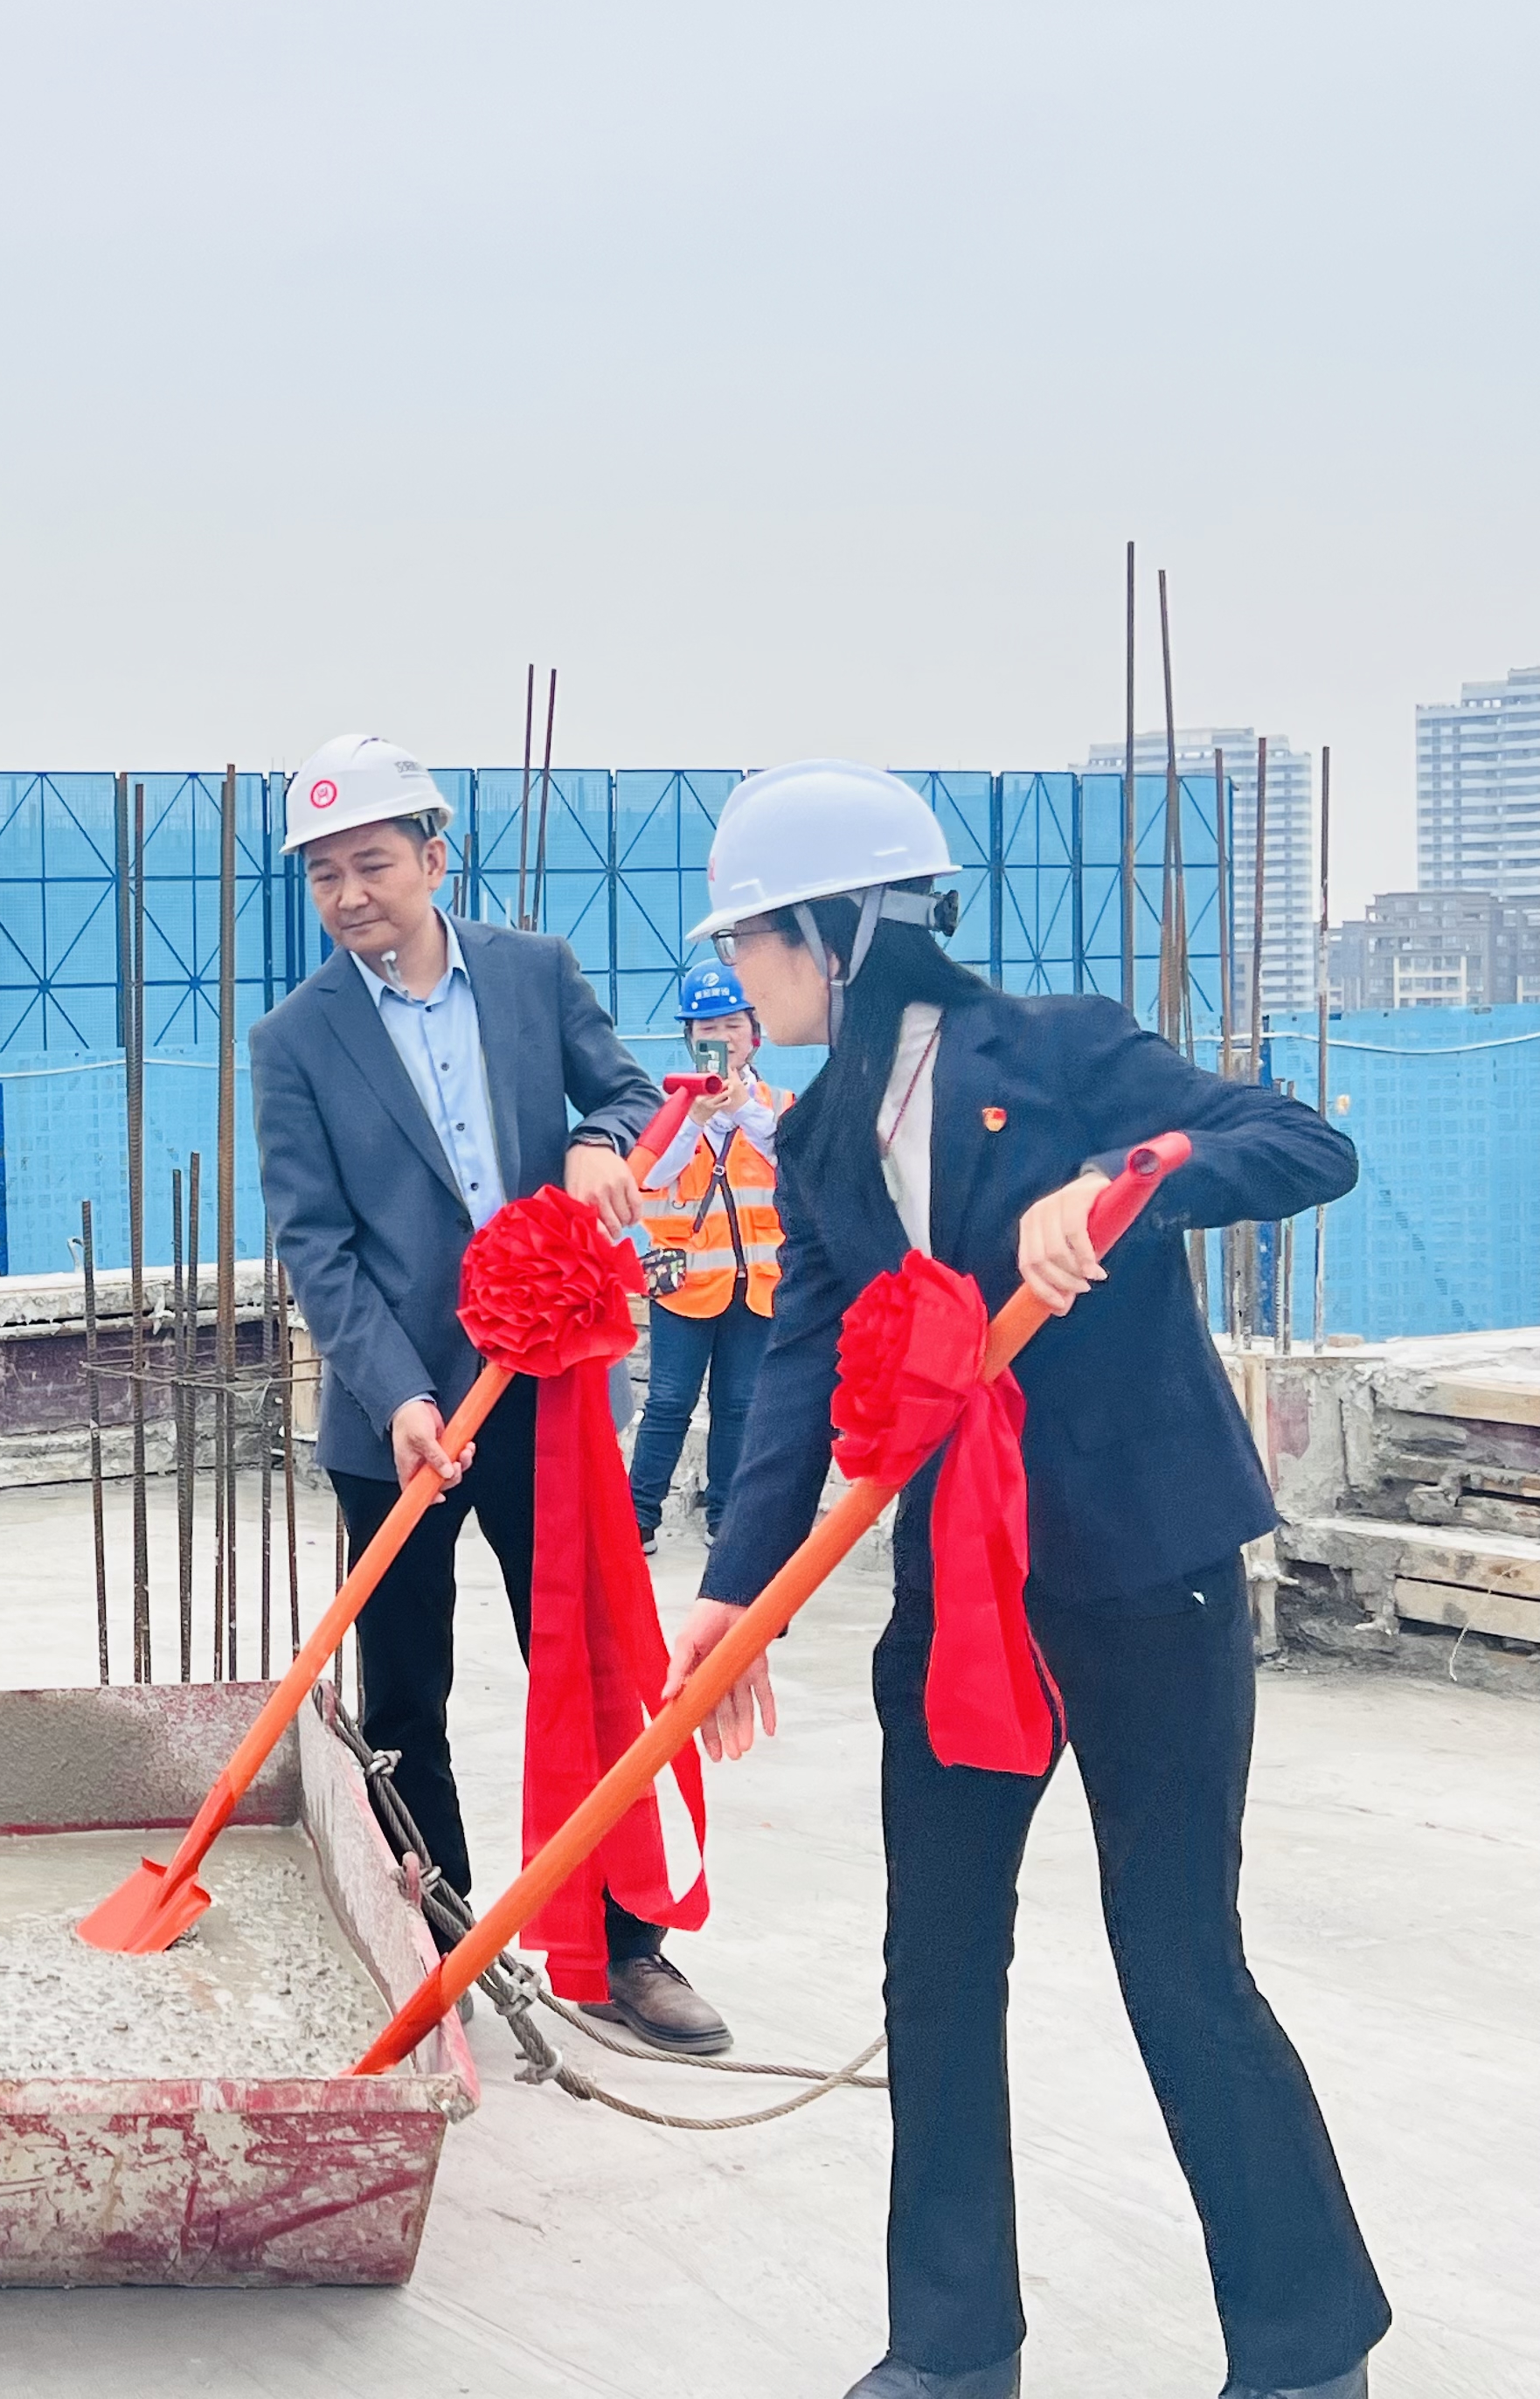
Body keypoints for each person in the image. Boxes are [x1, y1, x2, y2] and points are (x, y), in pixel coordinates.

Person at [662, 759, 1385, 2399]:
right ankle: (950, 2347)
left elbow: (1299, 1140)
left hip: (1144, 1571)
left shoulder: (1058, 1049)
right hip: (960, 1594)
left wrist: (1130, 1178)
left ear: (839, 932)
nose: (740, 971)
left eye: (754, 938)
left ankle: (1302, 2348)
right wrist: (734, 1588)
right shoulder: (819, 1137)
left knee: (1177, 1952)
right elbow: (802, 1366)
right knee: (933, 1960)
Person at [250, 731, 732, 2056]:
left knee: (587, 1670)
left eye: (373, 863)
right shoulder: (295, 1041)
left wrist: (595, 1143)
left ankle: (623, 1947)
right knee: (406, 1697)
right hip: (397, 1419)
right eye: (324, 874)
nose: (350, 893)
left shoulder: (533, 975)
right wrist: (399, 1395)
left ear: (434, 858)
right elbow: (317, 1245)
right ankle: (444, 1943)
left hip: (546, 1394)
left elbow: (629, 1092)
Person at [628, 956, 787, 1556]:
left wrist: (743, 1109)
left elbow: (794, 1163)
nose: (721, 1037)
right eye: (707, 1028)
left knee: (740, 1407)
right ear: (691, 1038)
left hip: (756, 1283)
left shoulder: (777, 1104)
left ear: (754, 1033)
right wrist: (693, 1118)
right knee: (669, 1403)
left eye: (731, 1025)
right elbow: (648, 1177)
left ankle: (728, 1518)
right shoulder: (665, 1105)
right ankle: (637, 1518)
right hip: (684, 1285)